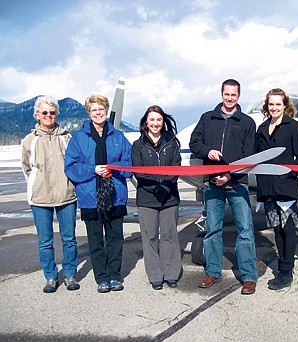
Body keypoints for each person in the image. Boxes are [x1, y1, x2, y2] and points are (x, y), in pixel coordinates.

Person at [189, 79, 258, 295]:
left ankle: (248, 277)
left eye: (234, 95)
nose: (230, 98)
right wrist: (207, 151)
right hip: (212, 183)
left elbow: (249, 155)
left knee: (245, 229)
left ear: (239, 96)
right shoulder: (207, 118)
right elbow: (194, 142)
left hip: (237, 183)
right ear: (221, 94)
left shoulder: (246, 122)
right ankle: (212, 271)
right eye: (227, 94)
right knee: (213, 229)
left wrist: (229, 175)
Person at [64, 94, 132, 293]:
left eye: (101, 109)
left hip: (115, 196)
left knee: (115, 239)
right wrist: (93, 170)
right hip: (90, 197)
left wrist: (113, 168)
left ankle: (115, 276)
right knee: (95, 240)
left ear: (106, 111)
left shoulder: (118, 137)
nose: (98, 113)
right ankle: (101, 277)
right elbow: (71, 167)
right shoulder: (78, 139)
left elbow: (129, 165)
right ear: (89, 113)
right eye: (94, 110)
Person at [21, 96, 80, 293]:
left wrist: (67, 184)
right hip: (40, 198)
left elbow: (73, 163)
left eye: (52, 112)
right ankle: (51, 277)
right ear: (37, 115)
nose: (48, 115)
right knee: (45, 241)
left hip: (66, 195)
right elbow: (27, 168)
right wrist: (37, 184)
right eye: (44, 112)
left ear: (56, 114)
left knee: (69, 238)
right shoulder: (29, 141)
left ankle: (70, 274)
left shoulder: (67, 137)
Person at [256, 88, 298, 290]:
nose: (274, 107)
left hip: (285, 188)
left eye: (278, 104)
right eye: (271, 104)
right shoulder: (261, 128)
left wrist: (289, 173)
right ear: (267, 106)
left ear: (285, 106)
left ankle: (286, 271)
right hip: (268, 188)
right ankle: (282, 267)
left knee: (288, 229)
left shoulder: (293, 126)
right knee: (276, 229)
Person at [132, 105, 182, 290]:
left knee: (169, 235)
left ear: (163, 121)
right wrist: (156, 187)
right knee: (150, 236)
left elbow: (176, 166)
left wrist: (166, 185)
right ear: (146, 121)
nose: (155, 123)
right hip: (147, 197)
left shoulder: (172, 142)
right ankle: (155, 275)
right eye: (152, 120)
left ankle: (171, 274)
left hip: (169, 197)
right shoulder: (138, 145)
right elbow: (138, 170)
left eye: (158, 120)